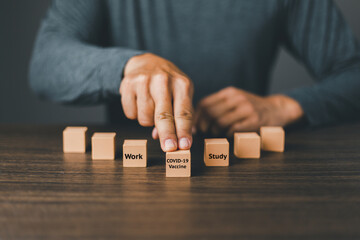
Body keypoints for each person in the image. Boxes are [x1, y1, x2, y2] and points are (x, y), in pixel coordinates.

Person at [29, 0, 360, 152]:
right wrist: (128, 66)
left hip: (246, 183)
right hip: (133, 177)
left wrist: (286, 106)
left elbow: (353, 74)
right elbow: (45, 62)